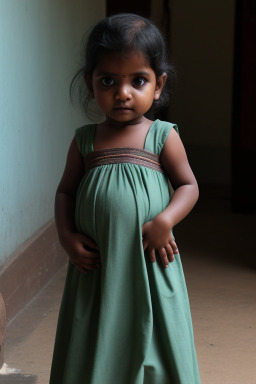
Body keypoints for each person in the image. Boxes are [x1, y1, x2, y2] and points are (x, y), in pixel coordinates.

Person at [50, 13, 201, 384]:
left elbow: (189, 186)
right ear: (90, 85)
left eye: (138, 81)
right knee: (93, 328)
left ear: (159, 84)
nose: (123, 93)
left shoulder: (162, 135)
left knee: (158, 336)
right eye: (108, 81)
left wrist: (165, 221)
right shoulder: (85, 140)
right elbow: (65, 191)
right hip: (99, 267)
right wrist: (66, 236)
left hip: (150, 260)